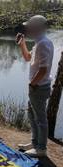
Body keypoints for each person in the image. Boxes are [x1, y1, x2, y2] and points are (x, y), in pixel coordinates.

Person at [17, 15, 54, 157]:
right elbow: (27, 58)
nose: (27, 29)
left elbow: (43, 69)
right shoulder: (40, 43)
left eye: (30, 27)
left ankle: (41, 149)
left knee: (40, 119)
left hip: (38, 87)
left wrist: (32, 84)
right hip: (37, 86)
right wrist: (22, 44)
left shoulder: (43, 44)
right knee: (32, 115)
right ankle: (35, 142)